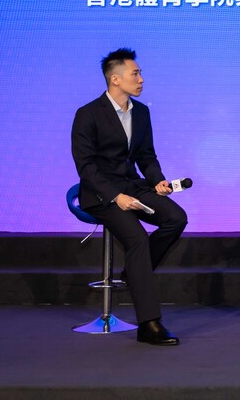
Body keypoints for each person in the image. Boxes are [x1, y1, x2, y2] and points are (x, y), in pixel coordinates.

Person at [71, 48, 188, 345]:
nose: (141, 79)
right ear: (115, 79)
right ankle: (149, 324)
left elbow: (146, 156)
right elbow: (86, 167)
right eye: (135, 74)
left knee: (176, 217)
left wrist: (158, 181)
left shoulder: (141, 111)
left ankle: (135, 271)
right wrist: (115, 197)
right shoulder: (87, 114)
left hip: (133, 185)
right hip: (100, 193)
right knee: (136, 238)